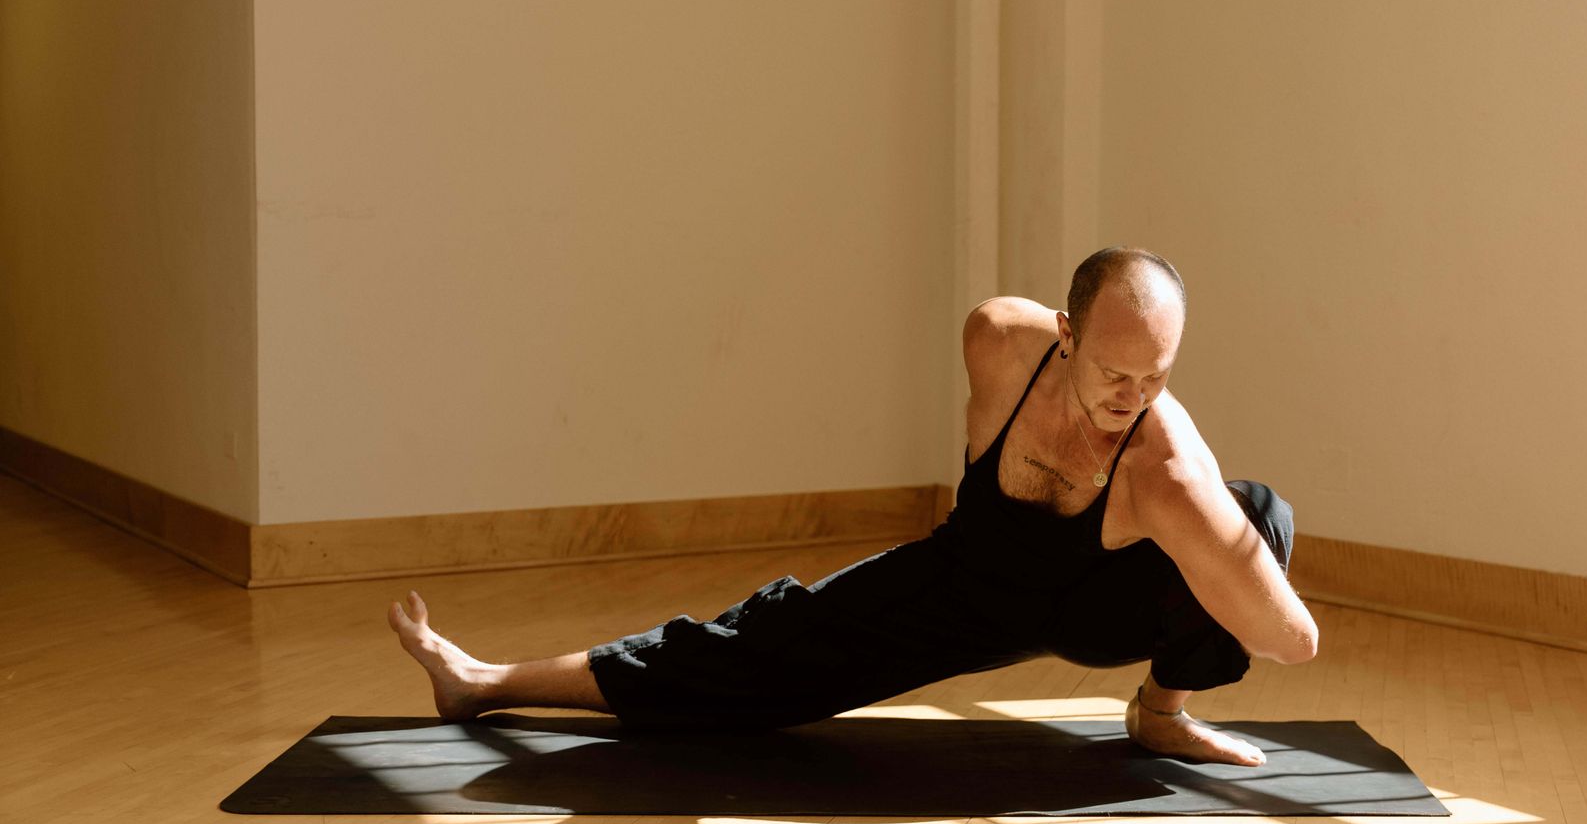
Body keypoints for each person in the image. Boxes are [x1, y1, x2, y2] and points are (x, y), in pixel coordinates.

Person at [388, 246, 1317, 767]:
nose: (1129, 397)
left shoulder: (1166, 468)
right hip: (969, 576)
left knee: (1259, 512)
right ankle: (485, 682)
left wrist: (1219, 545)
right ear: (1065, 334)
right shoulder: (1000, 342)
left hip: (1099, 601)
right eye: (1113, 372)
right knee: (757, 651)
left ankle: (1160, 711)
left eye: (1154, 377)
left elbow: (1296, 642)